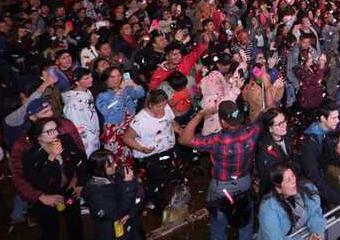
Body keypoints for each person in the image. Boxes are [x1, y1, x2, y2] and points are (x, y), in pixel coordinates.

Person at [179, 82, 274, 240]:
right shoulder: (251, 131)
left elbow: (184, 139)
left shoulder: (216, 140)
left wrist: (200, 115)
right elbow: (270, 110)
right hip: (244, 183)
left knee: (218, 225)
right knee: (245, 222)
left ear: (222, 121)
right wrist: (267, 84)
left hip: (221, 188)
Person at [21, 117, 88, 240]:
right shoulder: (31, 156)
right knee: (50, 231)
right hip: (48, 198)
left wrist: (80, 182)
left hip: (69, 191)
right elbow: (38, 183)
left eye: (56, 129)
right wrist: (51, 159)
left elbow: (81, 159)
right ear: (38, 136)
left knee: (75, 225)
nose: (56, 133)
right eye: (49, 131)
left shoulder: (65, 140)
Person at [123, 89, 178, 213]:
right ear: (150, 105)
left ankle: (154, 199)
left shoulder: (166, 108)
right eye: (159, 106)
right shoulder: (140, 120)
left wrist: (180, 131)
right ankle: (157, 207)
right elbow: (126, 138)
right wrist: (142, 148)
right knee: (157, 182)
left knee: (165, 179)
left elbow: (171, 122)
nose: (163, 108)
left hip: (167, 150)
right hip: (149, 156)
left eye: (164, 104)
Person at [300, 100, 340, 209]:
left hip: (338, 183)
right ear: (323, 118)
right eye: (334, 118)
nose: (338, 120)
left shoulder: (333, 131)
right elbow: (314, 175)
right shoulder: (310, 142)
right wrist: (337, 196)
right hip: (324, 195)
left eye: (337, 117)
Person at [83, 149, 144, 240]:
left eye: (114, 161)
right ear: (99, 169)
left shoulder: (115, 175)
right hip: (113, 234)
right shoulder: (96, 193)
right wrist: (128, 185)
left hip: (131, 228)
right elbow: (117, 213)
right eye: (110, 164)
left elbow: (139, 196)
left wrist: (131, 213)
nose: (115, 165)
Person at [258, 164, 326, 240]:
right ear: (278, 188)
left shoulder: (307, 188)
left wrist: (317, 231)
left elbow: (314, 213)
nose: (294, 182)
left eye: (293, 176)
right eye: (288, 180)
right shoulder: (268, 208)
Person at [96, 66, 145, 166]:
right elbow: (106, 110)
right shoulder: (102, 95)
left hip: (130, 126)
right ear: (106, 80)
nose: (117, 79)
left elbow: (140, 94)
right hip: (114, 128)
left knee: (132, 153)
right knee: (118, 157)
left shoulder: (126, 89)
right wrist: (118, 94)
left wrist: (133, 84)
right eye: (112, 77)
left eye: (119, 76)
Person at [255, 109, 300, 196]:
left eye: (284, 121)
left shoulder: (290, 133)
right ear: (270, 129)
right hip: (278, 190)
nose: (284, 125)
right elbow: (268, 178)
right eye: (279, 124)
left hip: (294, 179)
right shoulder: (264, 150)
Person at [62, 68, 101, 156]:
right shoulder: (72, 103)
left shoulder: (88, 92)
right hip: (87, 142)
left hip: (95, 136)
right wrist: (86, 141)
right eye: (86, 78)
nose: (91, 79)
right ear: (77, 82)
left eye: (90, 76)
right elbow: (76, 125)